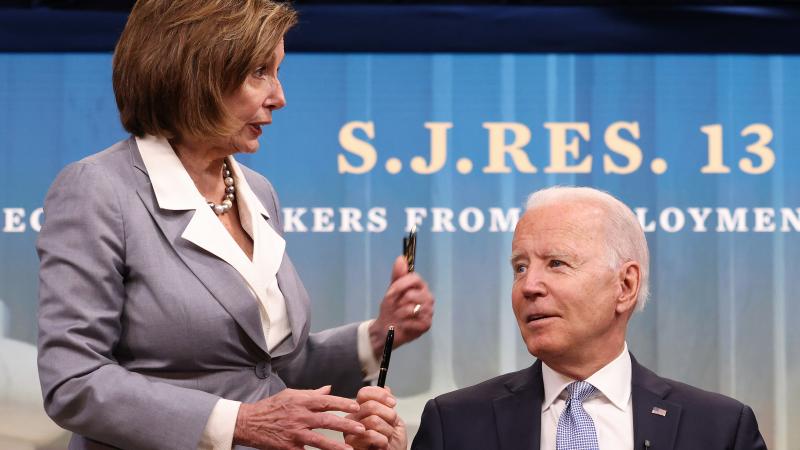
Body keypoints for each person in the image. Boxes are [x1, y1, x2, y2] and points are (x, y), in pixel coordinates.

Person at [36, 1, 431, 449]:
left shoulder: (257, 191)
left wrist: (377, 335)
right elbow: (74, 381)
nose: (279, 97)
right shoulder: (98, 190)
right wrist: (238, 422)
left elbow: (265, 369)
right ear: (195, 75)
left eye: (277, 71)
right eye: (259, 72)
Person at [355, 186, 767, 450]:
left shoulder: (720, 429)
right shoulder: (456, 423)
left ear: (625, 286)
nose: (529, 285)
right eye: (519, 267)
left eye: (556, 263)